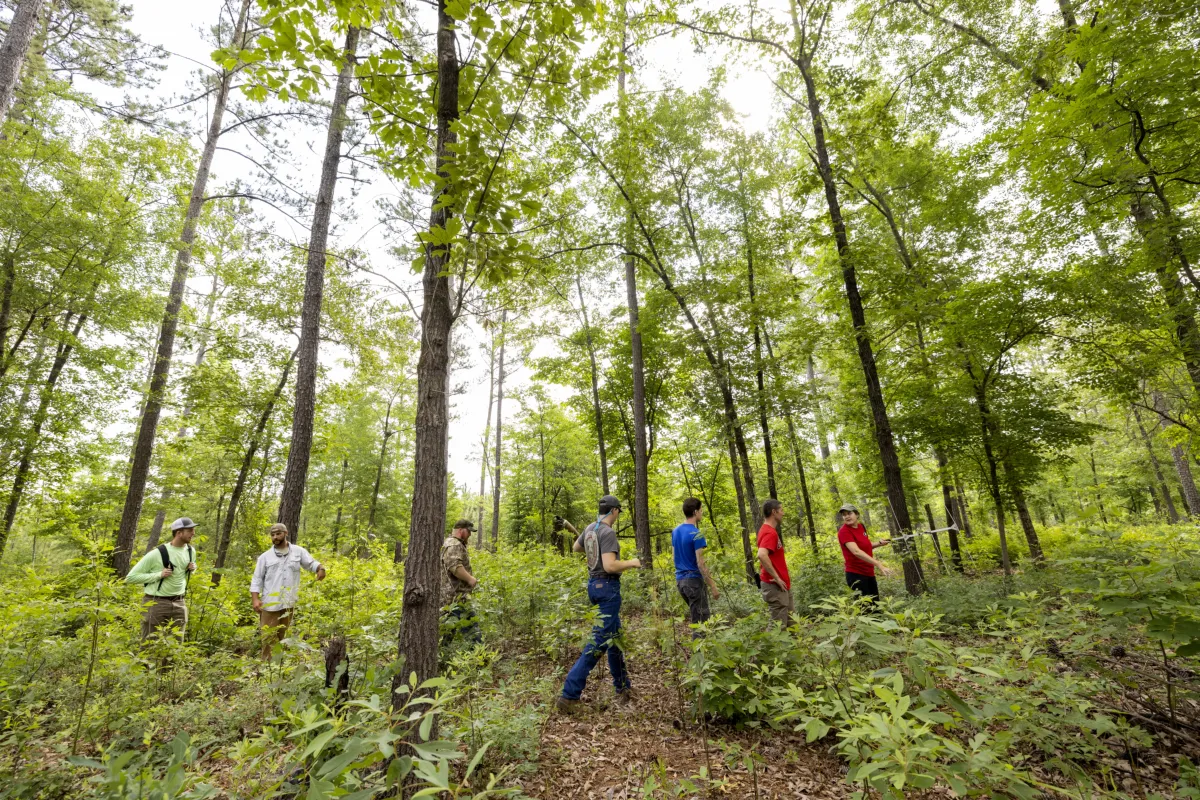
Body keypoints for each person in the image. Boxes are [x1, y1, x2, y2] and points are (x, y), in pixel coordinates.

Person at [557, 495, 641, 714]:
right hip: (607, 588)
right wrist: (632, 563)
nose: (618, 515)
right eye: (619, 511)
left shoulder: (591, 528)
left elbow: (577, 547)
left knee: (615, 639)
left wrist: (592, 547)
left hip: (594, 587)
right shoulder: (608, 532)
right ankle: (569, 695)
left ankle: (622, 688)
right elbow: (611, 566)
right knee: (599, 642)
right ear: (614, 511)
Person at [250, 522, 326, 659]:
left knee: (283, 636)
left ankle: (279, 665)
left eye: (278, 533)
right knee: (268, 637)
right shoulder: (265, 557)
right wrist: (255, 599)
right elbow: (256, 579)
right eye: (272, 535)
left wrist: (321, 568)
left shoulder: (298, 551)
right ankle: (267, 668)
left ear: (286, 533)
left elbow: (311, 563)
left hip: (289, 603)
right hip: (270, 604)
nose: (275, 537)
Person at [125, 516, 198, 640]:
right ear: (179, 533)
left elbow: (183, 573)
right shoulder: (157, 553)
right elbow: (130, 578)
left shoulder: (191, 551)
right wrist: (159, 575)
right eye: (190, 530)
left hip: (180, 602)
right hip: (156, 603)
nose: (193, 533)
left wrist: (192, 568)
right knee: (149, 645)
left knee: (175, 647)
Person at [672, 497, 719, 634]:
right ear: (695, 512)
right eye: (701, 509)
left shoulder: (676, 531)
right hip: (693, 582)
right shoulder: (697, 534)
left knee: (697, 618)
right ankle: (699, 654)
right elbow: (701, 563)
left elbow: (675, 555)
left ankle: (701, 652)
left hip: (680, 581)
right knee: (701, 622)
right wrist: (713, 586)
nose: (702, 512)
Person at [836, 504, 891, 604]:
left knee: (876, 606)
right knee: (865, 609)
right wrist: (878, 564)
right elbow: (856, 551)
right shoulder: (844, 532)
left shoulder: (861, 527)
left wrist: (879, 543)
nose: (847, 516)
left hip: (869, 572)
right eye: (844, 515)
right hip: (856, 575)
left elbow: (865, 546)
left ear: (856, 514)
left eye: (849, 513)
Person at [440, 519, 481, 647]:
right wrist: (470, 579)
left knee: (448, 631)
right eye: (468, 531)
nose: (470, 534)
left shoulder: (451, 543)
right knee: (472, 632)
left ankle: (442, 658)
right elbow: (455, 566)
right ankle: (480, 658)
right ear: (461, 530)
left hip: (451, 596)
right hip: (457, 597)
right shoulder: (454, 544)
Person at [756, 499, 793, 626]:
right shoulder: (769, 532)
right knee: (777, 627)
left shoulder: (768, 530)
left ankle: (796, 645)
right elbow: (761, 554)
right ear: (774, 512)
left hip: (782, 585)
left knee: (792, 623)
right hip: (774, 586)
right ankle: (768, 646)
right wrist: (776, 577)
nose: (783, 513)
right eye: (781, 510)